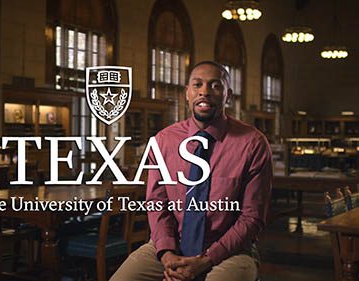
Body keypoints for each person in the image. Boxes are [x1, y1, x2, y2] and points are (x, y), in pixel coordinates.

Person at [110, 61, 272, 281]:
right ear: (187, 93)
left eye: (215, 86)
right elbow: (157, 204)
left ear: (228, 95)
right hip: (171, 246)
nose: (204, 92)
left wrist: (206, 259)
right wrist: (167, 255)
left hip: (230, 251)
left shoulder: (252, 144)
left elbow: (252, 218)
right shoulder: (163, 141)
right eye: (197, 85)